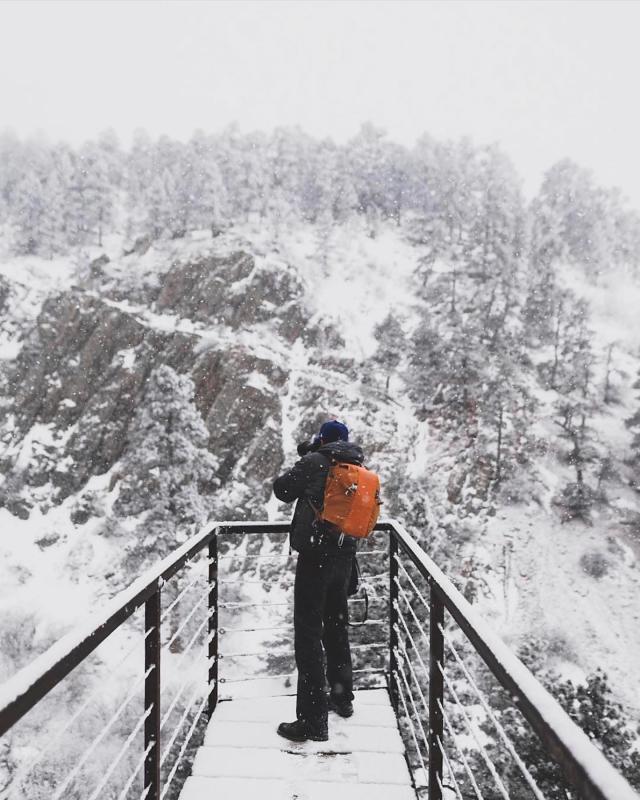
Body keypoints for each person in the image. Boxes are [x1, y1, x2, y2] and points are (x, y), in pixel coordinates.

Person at [272, 419, 363, 742]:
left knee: (308, 637)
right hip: (345, 560)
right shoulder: (355, 465)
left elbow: (282, 490)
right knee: (337, 629)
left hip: (316, 560)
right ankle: (342, 698)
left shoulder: (315, 461)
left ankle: (312, 722)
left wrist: (309, 456)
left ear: (321, 439)